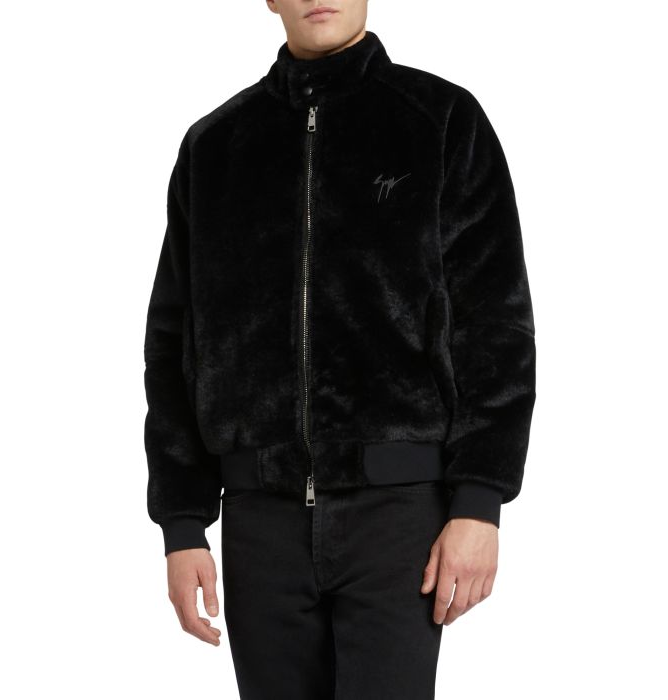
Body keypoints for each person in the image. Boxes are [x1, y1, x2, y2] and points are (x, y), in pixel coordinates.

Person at [143, 1, 536, 697]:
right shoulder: (214, 146)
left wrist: (480, 501)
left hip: (400, 516)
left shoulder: (440, 121)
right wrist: (182, 523)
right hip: (259, 521)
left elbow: (495, 325)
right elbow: (174, 342)